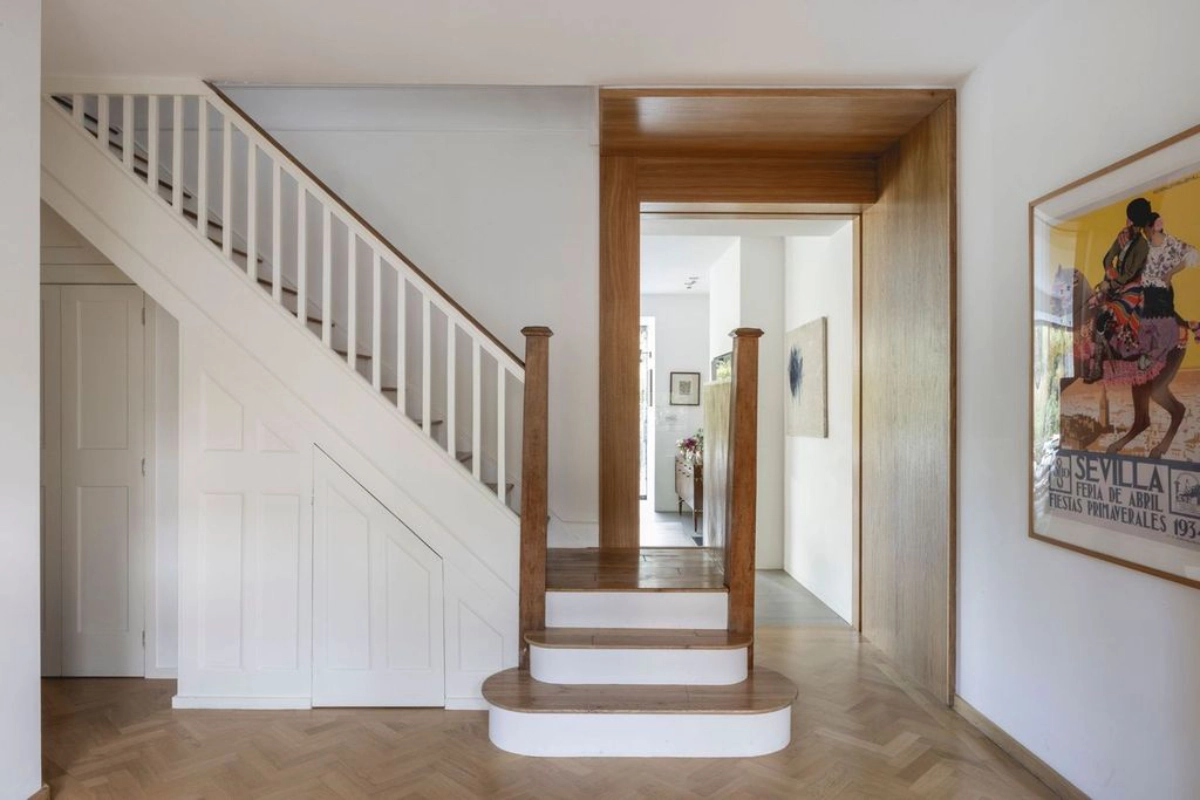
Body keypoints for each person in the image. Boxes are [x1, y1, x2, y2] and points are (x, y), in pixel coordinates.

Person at [1085, 197, 1154, 382]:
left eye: (1131, 220)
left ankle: (1098, 367)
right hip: (1115, 281)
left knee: (1103, 318)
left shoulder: (1142, 246)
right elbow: (1107, 258)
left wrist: (1111, 283)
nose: (1128, 223)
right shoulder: (1123, 235)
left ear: (1135, 222)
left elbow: (1131, 274)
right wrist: (1110, 273)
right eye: (1129, 220)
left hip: (1132, 288)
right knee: (1090, 307)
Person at [1136, 212, 1199, 369]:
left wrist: (1170, 274)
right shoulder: (1147, 245)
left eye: (1146, 229)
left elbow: (1191, 254)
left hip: (1161, 289)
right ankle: (1192, 325)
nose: (1144, 232)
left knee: (1156, 321)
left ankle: (1150, 358)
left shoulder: (1170, 242)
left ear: (1154, 227)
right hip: (1147, 289)